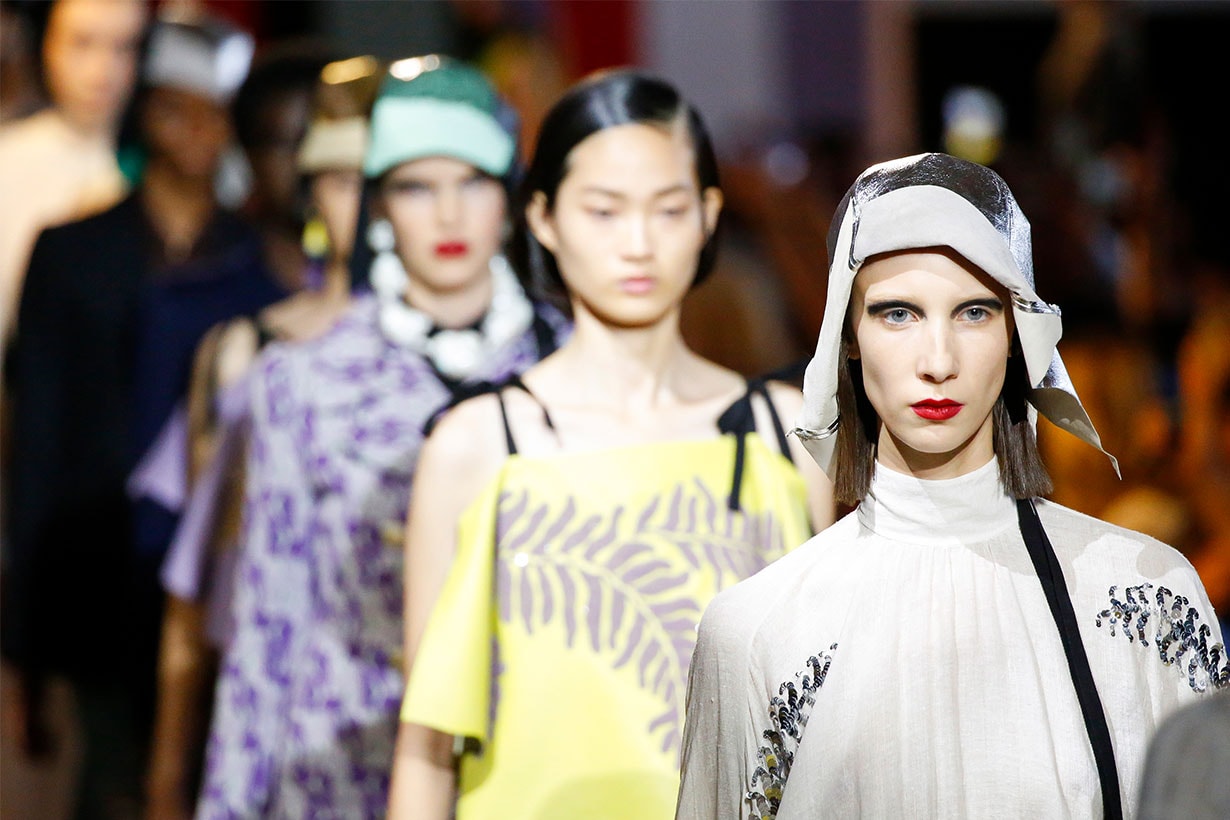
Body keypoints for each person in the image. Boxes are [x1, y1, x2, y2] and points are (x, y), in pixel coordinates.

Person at [675, 152, 1228, 820]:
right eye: (897, 314)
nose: (938, 362)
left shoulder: (1144, 596)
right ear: (845, 335)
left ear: (1019, 330)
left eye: (973, 313)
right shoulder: (756, 630)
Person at [389, 70, 834, 820]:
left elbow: (829, 713)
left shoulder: (784, 433)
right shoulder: (476, 447)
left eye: (667, 209)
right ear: (544, 218)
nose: (637, 244)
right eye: (603, 210)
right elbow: (428, 742)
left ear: (708, 215)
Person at [195, 55, 569, 818]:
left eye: (473, 180)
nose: (449, 214)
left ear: (512, 194)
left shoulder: (570, 362)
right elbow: (267, 620)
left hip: (531, 757)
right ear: (378, 206)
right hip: (342, 757)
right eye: (415, 186)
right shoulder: (302, 381)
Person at [1, 13, 258, 819]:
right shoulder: (72, 250)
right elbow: (37, 441)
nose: (199, 131)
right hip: (101, 576)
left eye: (216, 112)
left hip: (225, 585)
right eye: (179, 108)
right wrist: (25, 654)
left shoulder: (256, 259)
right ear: (148, 113)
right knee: (112, 781)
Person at [142, 54, 378, 820]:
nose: (371, 203)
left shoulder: (500, 355)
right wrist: (170, 773)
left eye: (387, 176)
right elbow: (205, 589)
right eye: (344, 178)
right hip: (288, 733)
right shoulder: (252, 355)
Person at [0, 0, 147, 347]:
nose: (102, 71)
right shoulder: (8, 160)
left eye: (124, 47)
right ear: (45, 43)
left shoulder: (164, 167)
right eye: (81, 43)